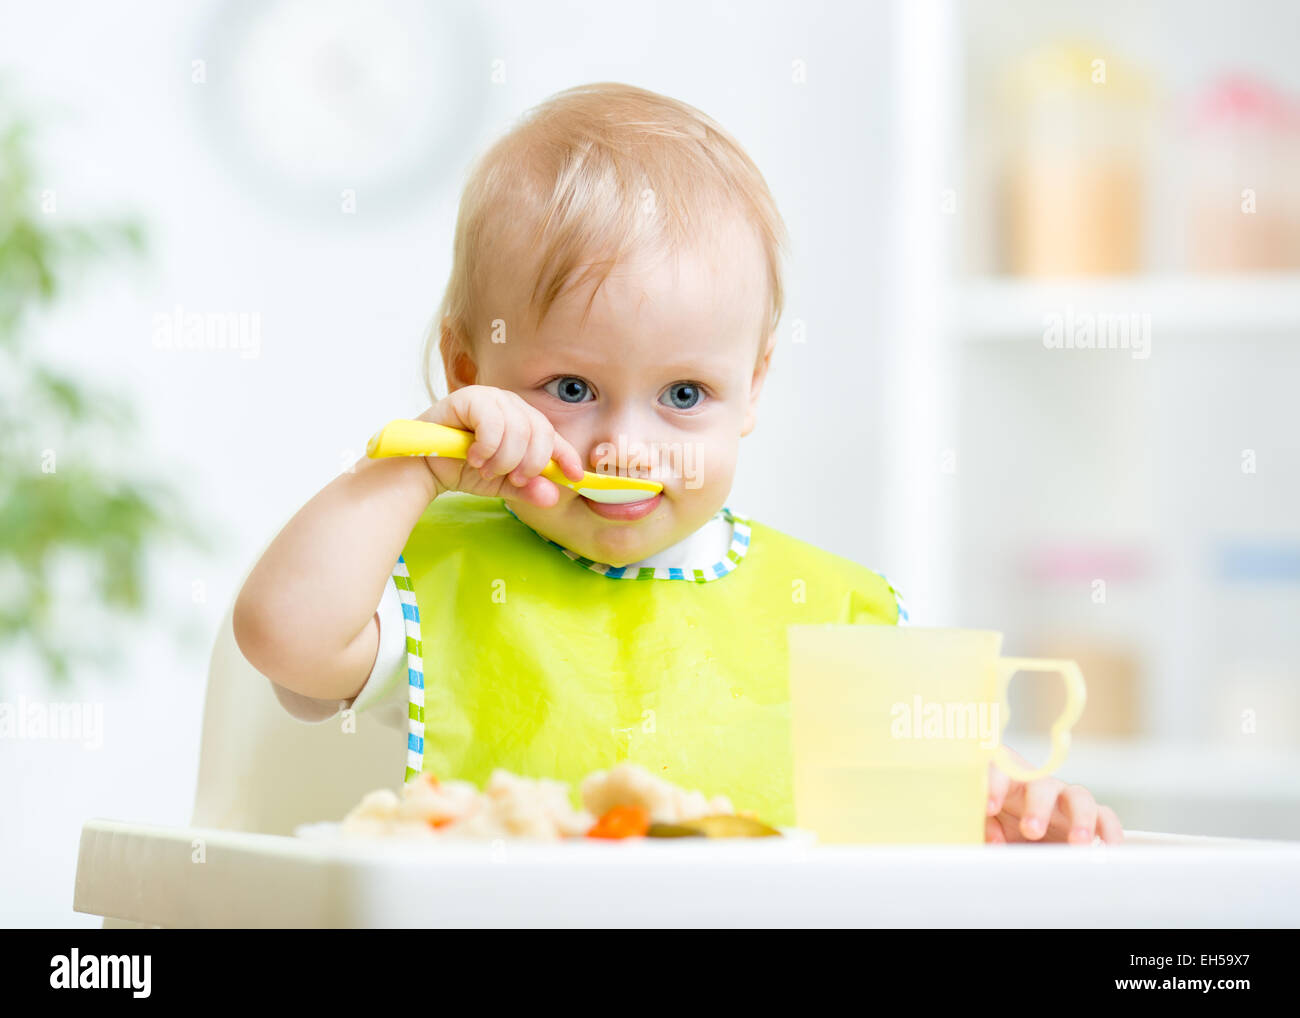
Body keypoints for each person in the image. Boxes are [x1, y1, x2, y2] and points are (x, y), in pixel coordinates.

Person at [233, 82, 1122, 843]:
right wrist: (414, 465)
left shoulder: (834, 617)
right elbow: (280, 634)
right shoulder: (433, 575)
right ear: (471, 373)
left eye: (685, 394)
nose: (626, 446)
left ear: (754, 387)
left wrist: (1010, 815)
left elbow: (933, 818)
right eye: (571, 388)